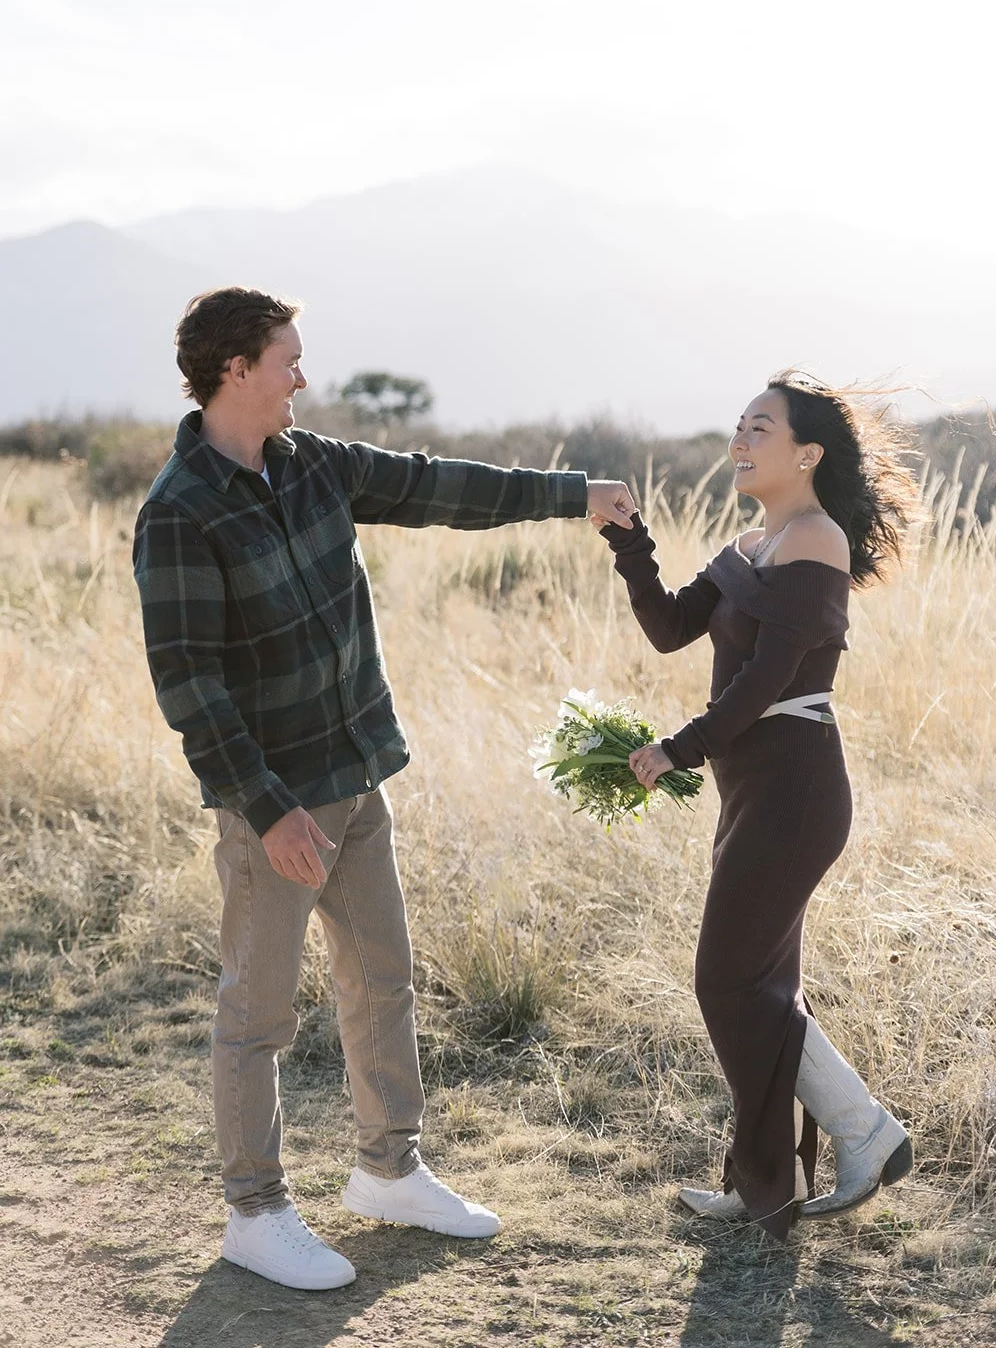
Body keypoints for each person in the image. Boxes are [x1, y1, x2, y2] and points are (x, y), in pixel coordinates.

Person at [132, 286, 636, 1290]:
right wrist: (266, 808)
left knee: (383, 978)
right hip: (276, 804)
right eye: (287, 359)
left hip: (356, 775)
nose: (301, 378)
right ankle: (255, 1210)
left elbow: (437, 486)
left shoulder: (310, 462)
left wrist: (572, 494)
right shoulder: (180, 512)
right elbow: (190, 684)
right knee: (257, 1012)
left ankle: (388, 1170)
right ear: (236, 369)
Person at [594, 372, 917, 1241]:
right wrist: (630, 545)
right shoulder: (749, 547)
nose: (740, 440)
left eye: (760, 428)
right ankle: (779, 1171)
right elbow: (668, 627)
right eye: (738, 425)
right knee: (756, 984)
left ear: (806, 453)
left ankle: (852, 1137)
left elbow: (767, 678)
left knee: (727, 980)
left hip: (795, 786)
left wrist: (677, 748)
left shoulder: (816, 541)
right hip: (752, 788)